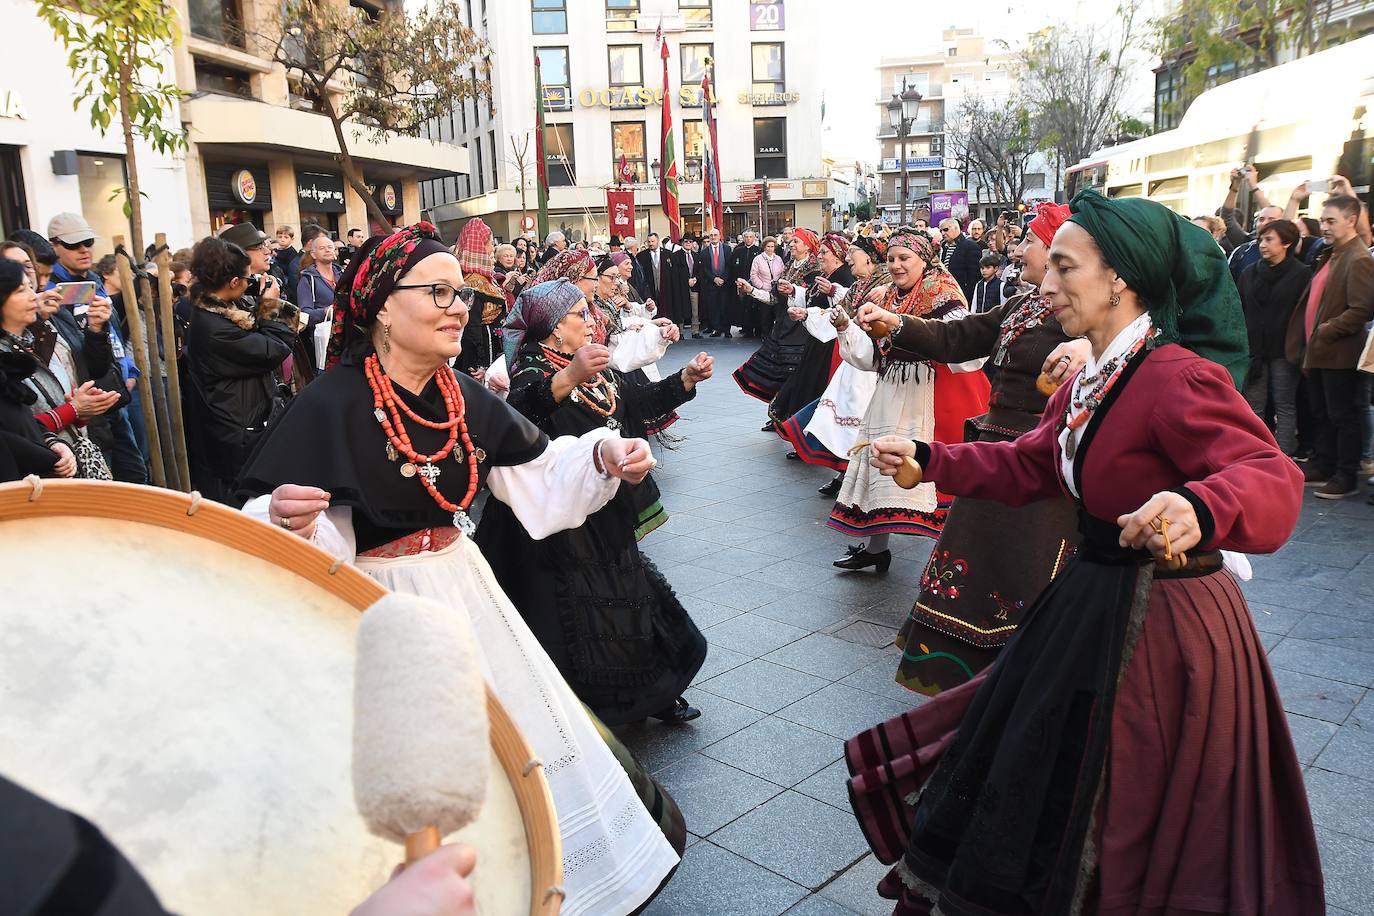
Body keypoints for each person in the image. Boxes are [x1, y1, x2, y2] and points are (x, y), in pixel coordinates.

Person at [847, 188, 1322, 916]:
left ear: (1120, 280)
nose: (1045, 284)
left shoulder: (1175, 376)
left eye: (1064, 268)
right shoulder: (1099, 373)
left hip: (1164, 627)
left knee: (1124, 808)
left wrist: (1200, 505)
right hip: (1094, 600)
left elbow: (1273, 479)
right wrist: (927, 458)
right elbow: (1035, 463)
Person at [236, 223, 683, 915]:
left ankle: (533, 886)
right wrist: (285, 517)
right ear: (383, 304)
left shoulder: (457, 395)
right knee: (410, 772)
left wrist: (599, 456)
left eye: (463, 295)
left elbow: (534, 470)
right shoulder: (332, 402)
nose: (460, 308)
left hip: (464, 589)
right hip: (379, 615)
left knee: (517, 749)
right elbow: (311, 537)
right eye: (438, 291)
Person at [856, 203, 1086, 694]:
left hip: (1035, 463)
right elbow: (959, 336)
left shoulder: (1082, 318)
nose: (1020, 249)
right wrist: (895, 323)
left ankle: (1015, 689)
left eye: (1031, 242)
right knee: (975, 576)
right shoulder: (1023, 304)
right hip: (995, 457)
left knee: (1021, 579)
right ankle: (975, 693)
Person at [477, 278, 711, 725]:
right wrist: (570, 376)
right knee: (579, 615)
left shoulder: (590, 362)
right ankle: (595, 706)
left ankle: (653, 692)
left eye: (589, 312)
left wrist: (684, 379)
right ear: (551, 329)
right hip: (551, 520)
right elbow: (519, 420)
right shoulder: (526, 369)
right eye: (579, 315)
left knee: (629, 599)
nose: (591, 320)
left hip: (603, 505)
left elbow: (634, 403)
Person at [827, 228, 991, 571]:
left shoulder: (942, 291)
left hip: (932, 392)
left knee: (934, 476)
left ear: (923, 259)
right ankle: (876, 548)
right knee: (882, 465)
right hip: (890, 388)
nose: (897, 265)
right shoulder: (886, 294)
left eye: (905, 258)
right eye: (892, 259)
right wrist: (846, 326)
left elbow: (964, 348)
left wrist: (909, 332)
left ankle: (948, 559)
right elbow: (872, 358)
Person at [182, 236, 298, 502]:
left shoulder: (219, 307)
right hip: (236, 429)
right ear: (233, 282)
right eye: (248, 279)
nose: (251, 283)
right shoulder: (214, 328)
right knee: (246, 500)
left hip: (240, 420)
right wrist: (273, 307)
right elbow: (275, 348)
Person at [778, 229, 890, 495]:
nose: (849, 260)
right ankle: (845, 476)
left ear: (870, 259)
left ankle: (865, 480)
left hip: (875, 369)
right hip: (854, 364)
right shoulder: (860, 286)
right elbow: (838, 313)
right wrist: (807, 313)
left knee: (860, 423)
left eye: (854, 255)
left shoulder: (885, 285)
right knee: (841, 422)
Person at [1286, 194, 1374, 499]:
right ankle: (1324, 465)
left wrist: (1326, 330)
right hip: (1319, 351)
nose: (1323, 226)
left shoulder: (1359, 258)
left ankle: (1345, 475)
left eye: (1330, 221)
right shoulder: (1331, 253)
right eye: (1322, 220)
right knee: (1321, 413)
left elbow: (1360, 310)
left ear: (1351, 221)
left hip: (1339, 353)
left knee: (1342, 416)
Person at [46, 212, 145, 483]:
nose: (83, 249)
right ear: (54, 245)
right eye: (73, 244)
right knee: (107, 483)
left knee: (136, 476)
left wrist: (129, 370)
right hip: (85, 405)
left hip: (115, 396)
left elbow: (113, 333)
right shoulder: (50, 291)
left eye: (88, 242)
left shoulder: (93, 282)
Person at [0, 258, 86, 479]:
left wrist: (52, 442)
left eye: (30, 286)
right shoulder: (8, 356)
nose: (33, 296)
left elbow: (26, 422)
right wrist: (72, 410)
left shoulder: (28, 342)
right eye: (20, 290)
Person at [762, 232, 854, 436]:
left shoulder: (843, 276)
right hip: (817, 341)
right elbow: (812, 297)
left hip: (830, 346)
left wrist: (830, 294)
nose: (819, 256)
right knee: (806, 384)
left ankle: (809, 435)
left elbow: (848, 307)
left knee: (815, 388)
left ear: (837, 256)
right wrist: (794, 291)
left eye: (824, 252)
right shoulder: (829, 275)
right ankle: (801, 433)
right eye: (819, 252)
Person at [732, 228, 823, 428]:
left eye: (796, 242)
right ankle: (779, 416)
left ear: (807, 246)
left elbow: (815, 301)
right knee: (779, 376)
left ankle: (791, 420)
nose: (791, 245)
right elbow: (773, 298)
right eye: (791, 242)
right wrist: (751, 290)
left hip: (801, 332)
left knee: (796, 379)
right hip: (782, 329)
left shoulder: (815, 270)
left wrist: (794, 292)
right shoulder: (788, 266)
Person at [1238, 219, 1310, 458]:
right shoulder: (1250, 272)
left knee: (1285, 404)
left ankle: (1284, 455)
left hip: (1285, 350)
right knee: (1252, 406)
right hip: (1255, 350)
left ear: (1287, 243)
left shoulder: (1301, 274)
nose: (1262, 245)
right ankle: (1252, 453)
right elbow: (1240, 308)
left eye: (1269, 239)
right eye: (1261, 239)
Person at [453, 219, 505, 378]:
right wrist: (479, 363)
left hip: (491, 351)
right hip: (479, 358)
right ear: (481, 247)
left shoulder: (482, 278)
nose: (492, 248)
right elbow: (471, 327)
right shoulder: (471, 284)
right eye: (490, 243)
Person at [297, 234, 343, 327]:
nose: (327, 250)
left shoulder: (342, 273)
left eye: (330, 247)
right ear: (313, 254)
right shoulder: (307, 279)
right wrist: (326, 312)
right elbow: (304, 314)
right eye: (322, 248)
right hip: (325, 333)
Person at [748, 236, 785, 338]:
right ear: (764, 247)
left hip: (777, 291)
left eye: (772, 246)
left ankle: (776, 337)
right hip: (764, 292)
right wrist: (762, 286)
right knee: (765, 316)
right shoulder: (758, 259)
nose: (770, 248)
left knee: (778, 315)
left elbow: (783, 272)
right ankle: (765, 336)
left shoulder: (778, 259)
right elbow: (753, 275)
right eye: (768, 246)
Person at [697, 227, 732, 336]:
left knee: (725, 307)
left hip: (725, 283)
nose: (713, 237)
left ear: (719, 236)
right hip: (711, 284)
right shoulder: (704, 252)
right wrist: (714, 278)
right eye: (711, 235)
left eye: (715, 235)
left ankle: (726, 330)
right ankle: (717, 329)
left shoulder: (727, 249)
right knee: (713, 307)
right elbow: (704, 269)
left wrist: (723, 278)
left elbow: (729, 266)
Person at [728, 229, 762, 336]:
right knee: (744, 306)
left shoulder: (759, 250)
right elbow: (732, 266)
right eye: (746, 237)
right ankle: (746, 328)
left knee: (755, 306)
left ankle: (757, 328)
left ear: (754, 238)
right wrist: (735, 280)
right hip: (741, 283)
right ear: (743, 238)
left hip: (754, 284)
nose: (748, 239)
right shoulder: (738, 250)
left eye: (750, 237)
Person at [938, 218, 982, 300]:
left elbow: (974, 277)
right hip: (946, 292)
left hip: (962, 294)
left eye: (945, 230)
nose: (943, 233)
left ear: (956, 228)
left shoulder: (971, 246)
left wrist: (966, 296)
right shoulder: (943, 247)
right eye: (941, 231)